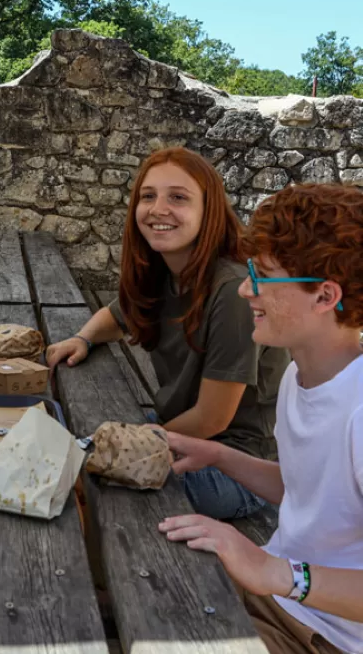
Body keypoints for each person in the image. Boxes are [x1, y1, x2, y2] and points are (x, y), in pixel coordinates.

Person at [160, 183, 363, 654]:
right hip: (275, 593)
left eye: (263, 276)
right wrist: (219, 455)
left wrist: (276, 572)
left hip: (322, 633)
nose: (247, 289)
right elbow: (313, 495)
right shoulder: (300, 374)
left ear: (324, 296)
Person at [46, 147, 289, 520]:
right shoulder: (165, 270)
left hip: (240, 466)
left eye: (178, 197)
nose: (158, 209)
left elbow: (212, 419)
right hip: (181, 437)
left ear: (209, 210)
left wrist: (133, 444)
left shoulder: (233, 289)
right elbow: (119, 314)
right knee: (64, 450)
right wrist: (84, 338)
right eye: (148, 196)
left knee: (85, 489)